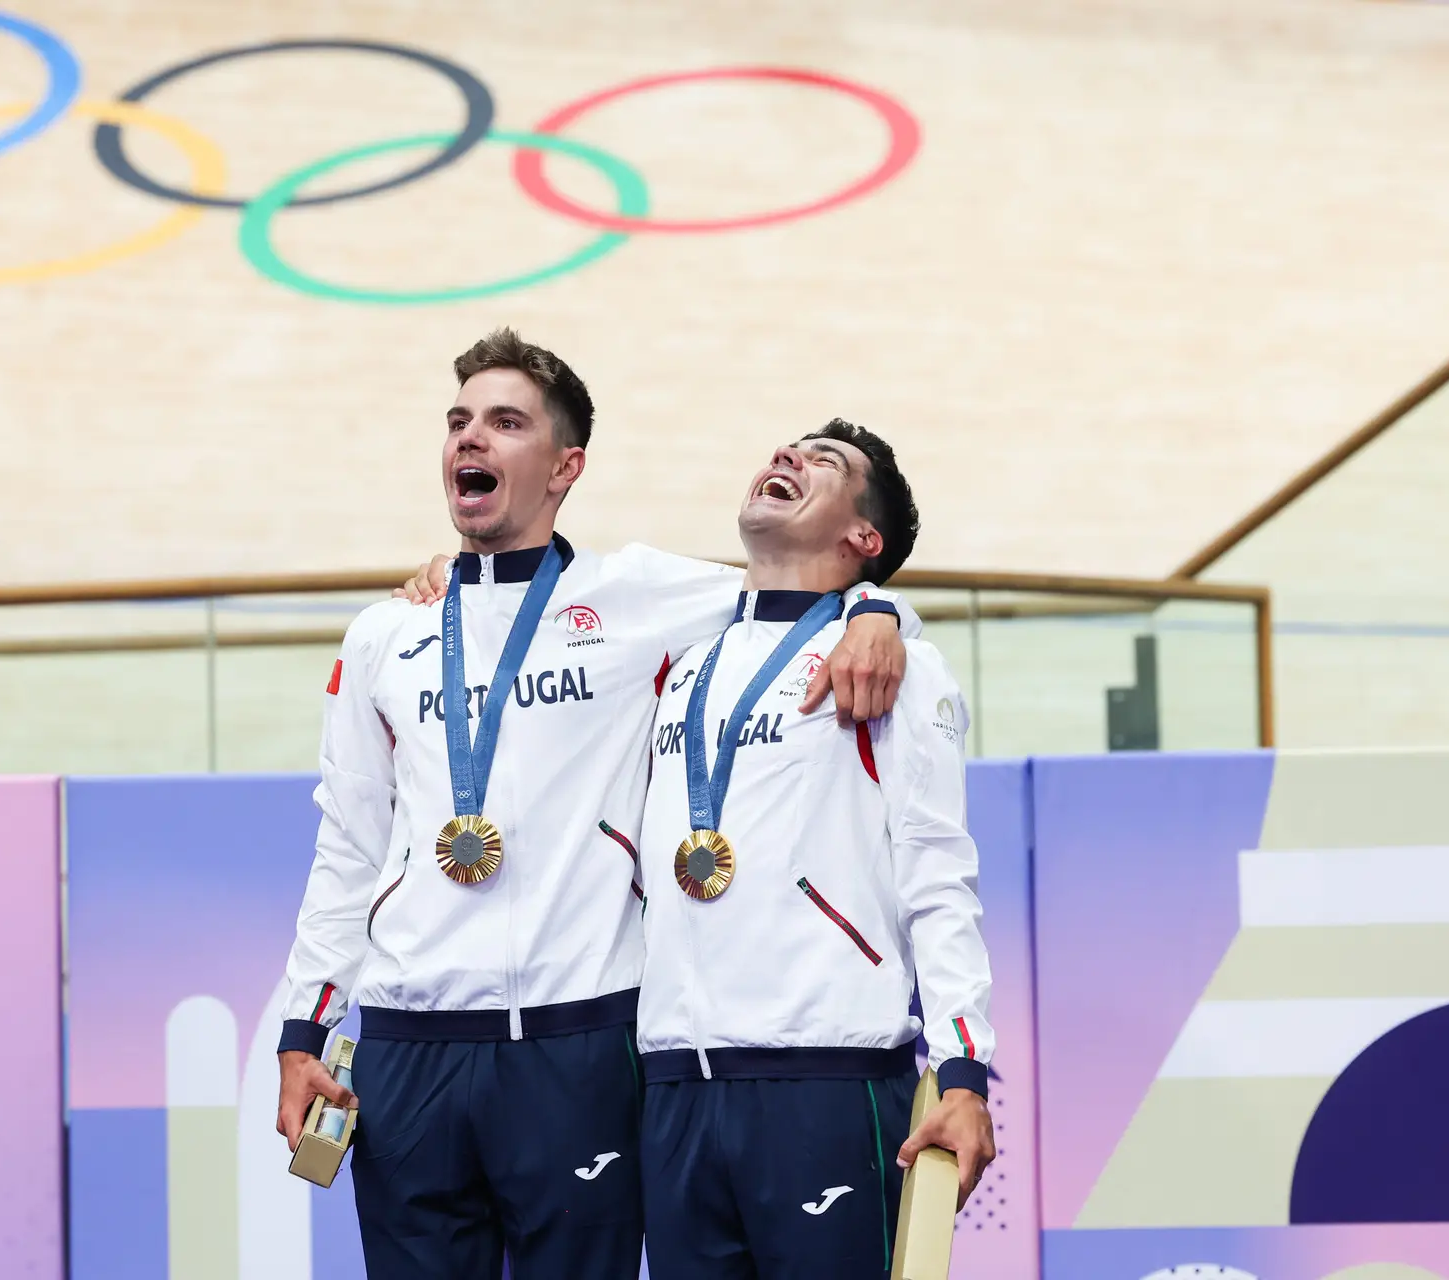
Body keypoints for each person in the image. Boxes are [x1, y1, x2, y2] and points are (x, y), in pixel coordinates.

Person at [273, 330, 924, 1280]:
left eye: (505, 423)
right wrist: (305, 1029)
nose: (472, 441)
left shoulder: (638, 596)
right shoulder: (385, 634)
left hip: (580, 1047)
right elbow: (347, 846)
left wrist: (880, 611)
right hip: (408, 1046)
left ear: (565, 465)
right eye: (459, 422)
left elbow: (804, 581)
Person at [636, 418, 994, 1279]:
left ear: (862, 537)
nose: (784, 457)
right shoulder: (678, 659)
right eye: (782, 450)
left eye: (823, 461)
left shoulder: (894, 668)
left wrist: (963, 1071)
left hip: (825, 1082)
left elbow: (938, 875)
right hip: (674, 1088)